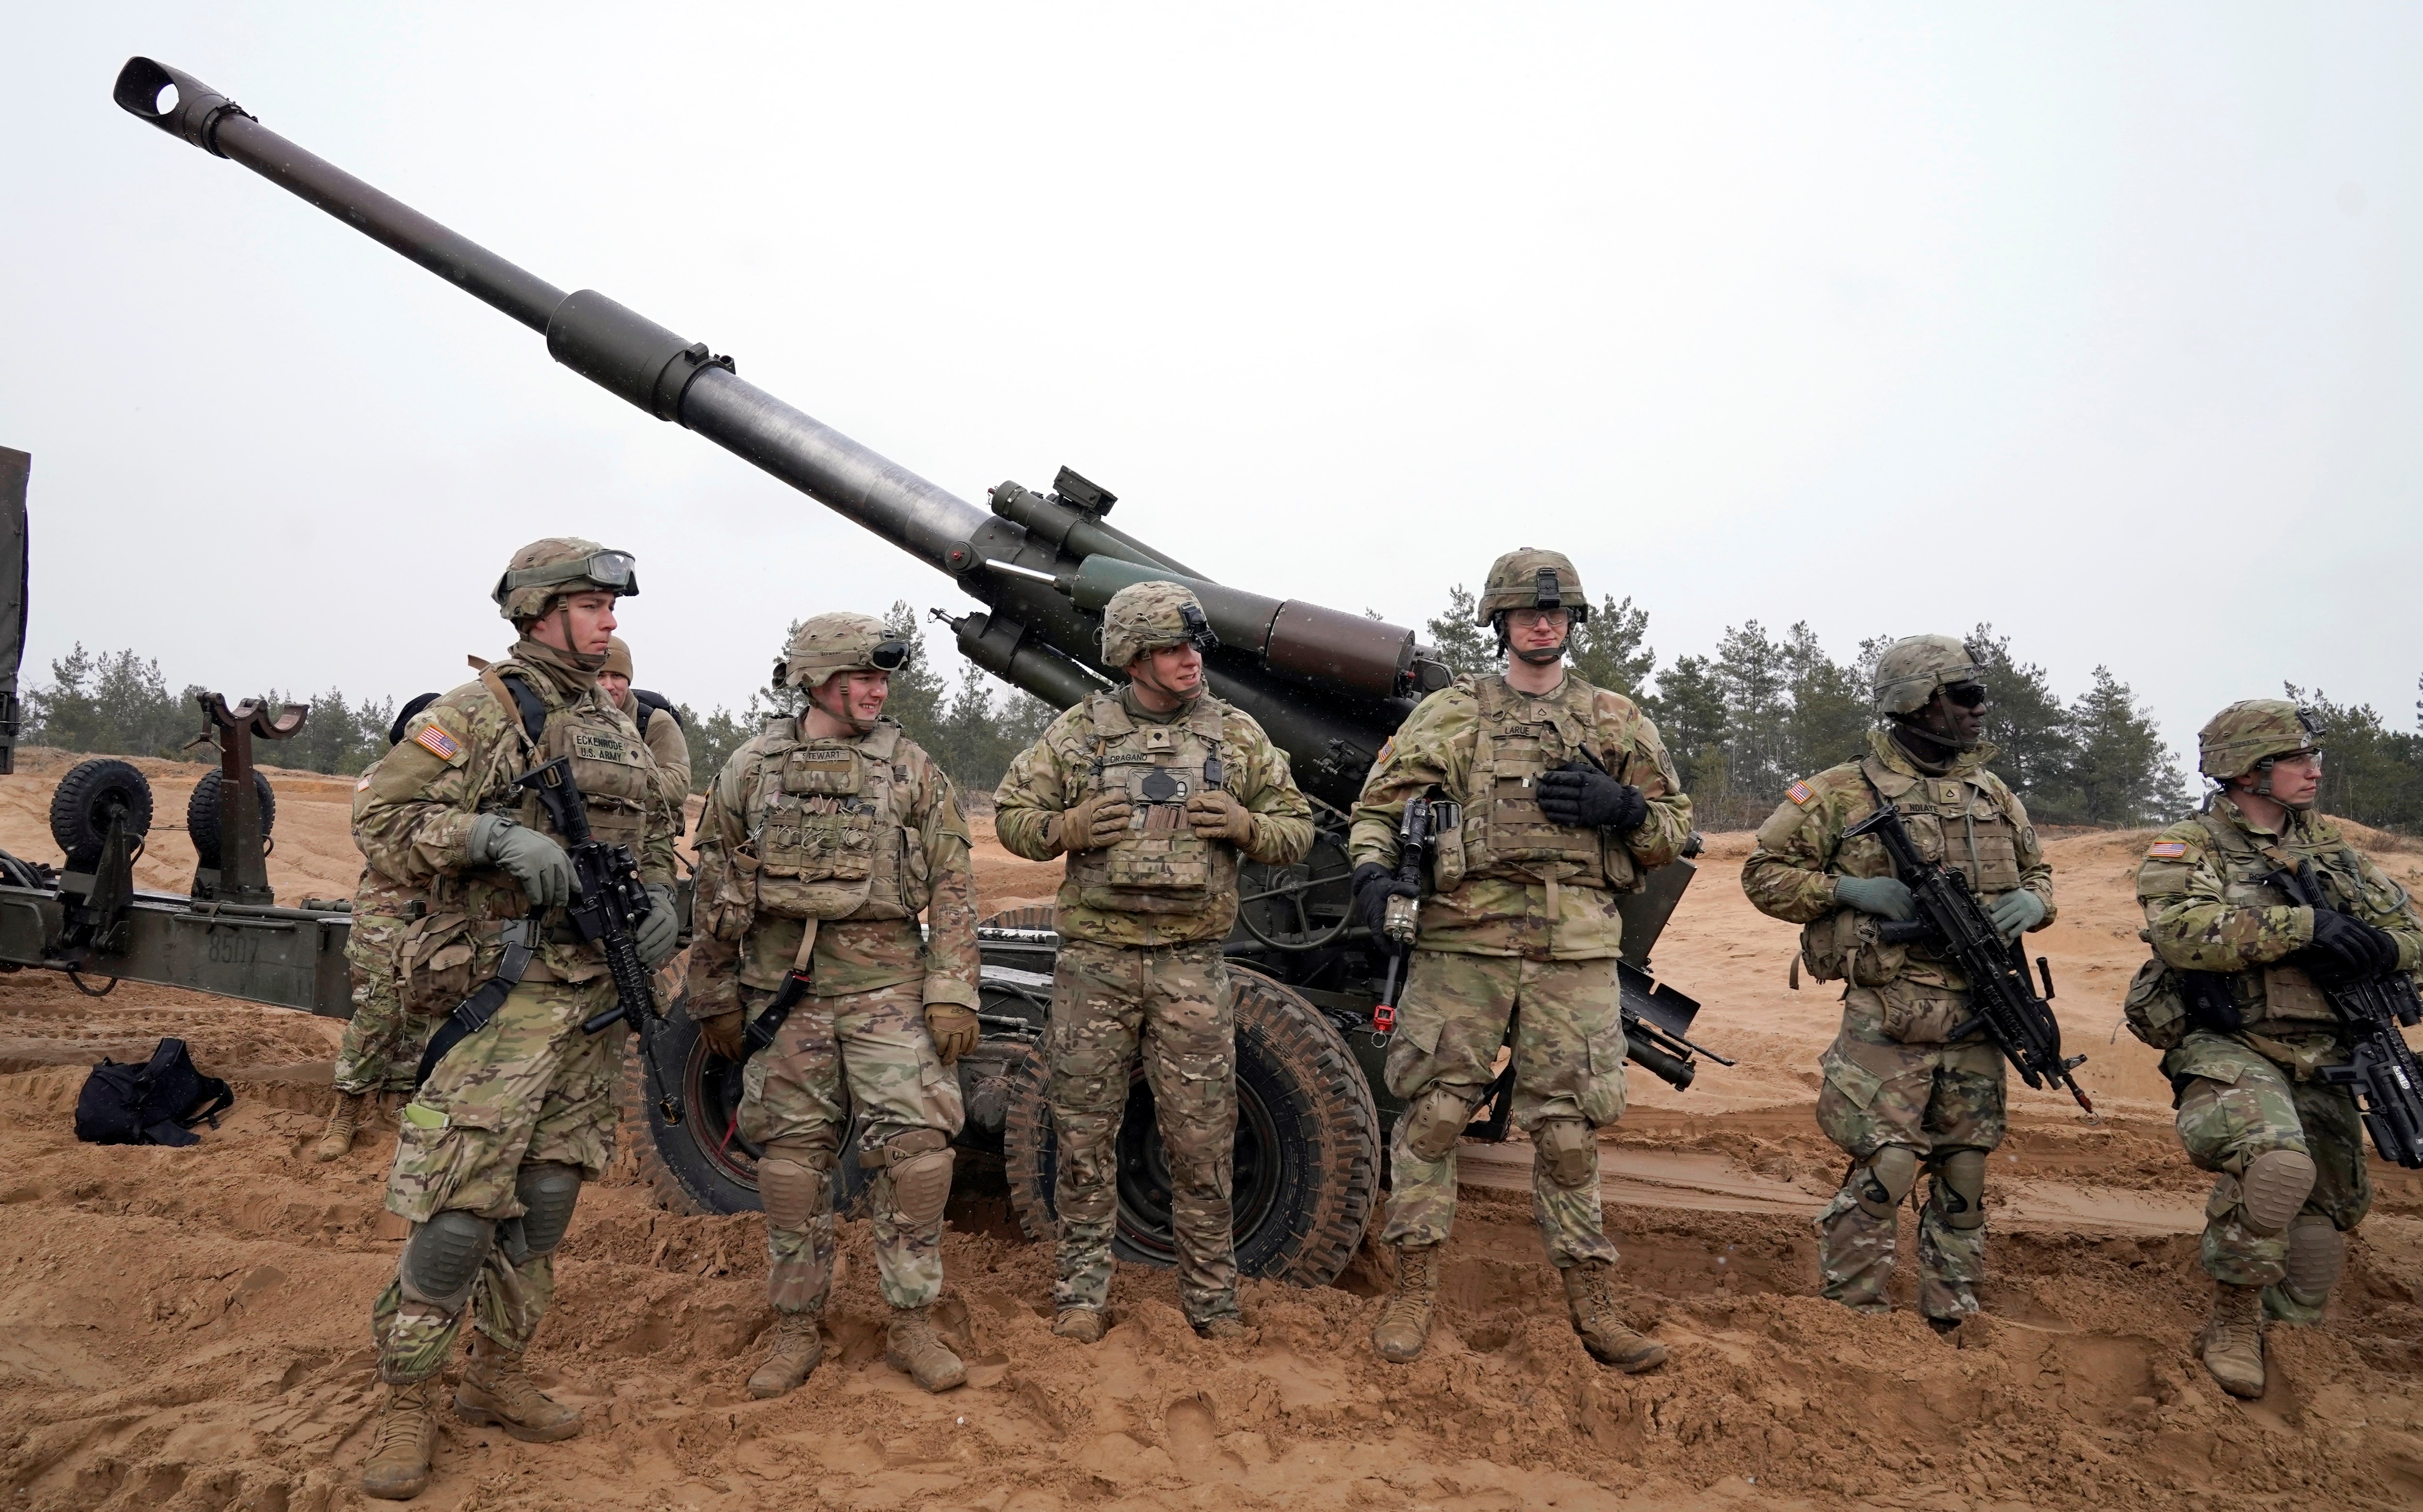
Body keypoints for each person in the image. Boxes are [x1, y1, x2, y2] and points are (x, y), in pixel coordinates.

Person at [350, 538, 680, 1500]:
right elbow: (382, 824)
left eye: (611, 608)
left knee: (544, 1204)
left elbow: (653, 835)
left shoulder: (612, 725)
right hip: (506, 994)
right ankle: (407, 1398)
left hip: (589, 1004)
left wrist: (663, 900)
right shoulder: (482, 713)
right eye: (592, 605)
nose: (610, 621)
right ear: (539, 611)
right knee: (456, 1213)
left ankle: (496, 1374)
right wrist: (491, 835)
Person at [1348, 549, 1690, 1371]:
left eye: (1557, 612)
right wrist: (1370, 873)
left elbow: (1674, 832)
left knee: (1569, 1135)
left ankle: (1595, 1309)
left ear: (1574, 623)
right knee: (1431, 1120)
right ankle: (1413, 1292)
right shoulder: (1452, 713)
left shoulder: (1617, 721)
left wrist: (1628, 807)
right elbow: (1377, 810)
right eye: (1528, 612)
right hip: (1463, 944)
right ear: (1498, 623)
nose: (1544, 623)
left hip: (1572, 953)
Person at [995, 581, 1314, 1342]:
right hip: (1096, 965)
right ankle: (1080, 1295)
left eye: (1194, 646)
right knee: (1082, 1131)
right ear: (1133, 657)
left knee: (1203, 1138)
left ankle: (1212, 1300)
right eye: (1173, 648)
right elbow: (1012, 817)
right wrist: (1066, 825)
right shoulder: (1079, 735)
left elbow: (1295, 829)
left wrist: (1245, 825)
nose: (1190, 661)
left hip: (1191, 966)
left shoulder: (1235, 736)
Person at [685, 614, 982, 1399]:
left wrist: (953, 988)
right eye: (863, 678)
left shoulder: (911, 767)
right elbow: (714, 891)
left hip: (888, 989)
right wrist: (713, 993)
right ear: (814, 680)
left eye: (885, 679)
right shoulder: (751, 769)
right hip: (788, 997)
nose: (878, 691)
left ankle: (911, 1320)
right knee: (789, 1165)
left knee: (918, 1155)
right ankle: (794, 1327)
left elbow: (953, 883)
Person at [1740, 634, 2055, 1328]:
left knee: (1966, 1175)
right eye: (1965, 696)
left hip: (1980, 1011)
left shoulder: (1992, 793)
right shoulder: (1837, 791)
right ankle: (1853, 1318)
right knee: (1886, 1172)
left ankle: (1952, 1312)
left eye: (1979, 696)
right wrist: (1850, 891)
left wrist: (2036, 902)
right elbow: (1761, 875)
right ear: (1917, 701)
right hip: (1891, 1013)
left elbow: (2039, 876)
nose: (1980, 710)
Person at [2131, 700, 2423, 1399]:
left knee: (2324, 1219)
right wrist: (2304, 928)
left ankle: (2294, 1331)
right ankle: (2232, 1320)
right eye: (2293, 759)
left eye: (2310, 757)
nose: (2311, 770)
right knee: (2277, 1168)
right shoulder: (2189, 845)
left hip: (2328, 1049)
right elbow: (2182, 932)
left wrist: (2381, 946)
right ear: (2246, 772)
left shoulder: (2333, 851)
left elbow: (2411, 932)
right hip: (2231, 1043)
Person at [315, 694, 443, 1162]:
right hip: (384, 920)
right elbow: (378, 841)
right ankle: (345, 1110)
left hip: (438, 918)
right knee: (377, 1014)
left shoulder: (456, 783)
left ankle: (397, 1104)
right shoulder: (380, 777)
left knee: (423, 1013)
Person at [598, 635, 693, 814]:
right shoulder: (573, 718)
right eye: (600, 675)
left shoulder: (655, 721)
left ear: (628, 680)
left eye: (617, 675)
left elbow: (677, 786)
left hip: (646, 834)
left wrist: (606, 776)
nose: (608, 685)